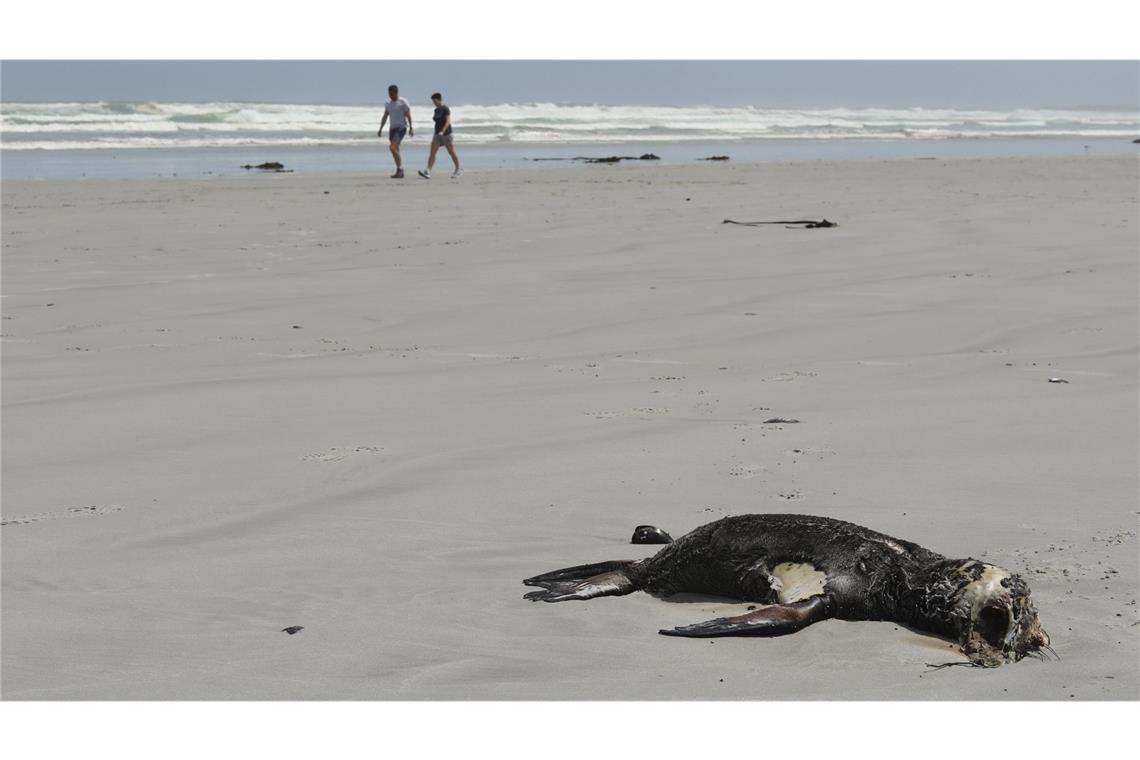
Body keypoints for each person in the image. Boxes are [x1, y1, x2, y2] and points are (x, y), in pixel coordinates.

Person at [417, 93, 461, 179]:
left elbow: (448, 121)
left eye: (435, 101)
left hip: (446, 134)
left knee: (451, 152)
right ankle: (428, 171)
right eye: (433, 101)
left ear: (439, 99)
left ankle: (458, 169)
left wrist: (443, 130)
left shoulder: (445, 109)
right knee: (432, 153)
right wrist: (438, 131)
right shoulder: (436, 110)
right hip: (437, 134)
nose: (434, 103)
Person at [378, 84, 413, 178]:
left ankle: (401, 169)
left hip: (401, 128)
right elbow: (385, 116)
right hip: (392, 129)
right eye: (389, 94)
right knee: (395, 150)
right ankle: (399, 171)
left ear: (396, 93)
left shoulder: (403, 102)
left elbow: (408, 115)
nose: (390, 96)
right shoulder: (388, 103)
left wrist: (411, 127)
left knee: (392, 148)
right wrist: (380, 128)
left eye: (392, 94)